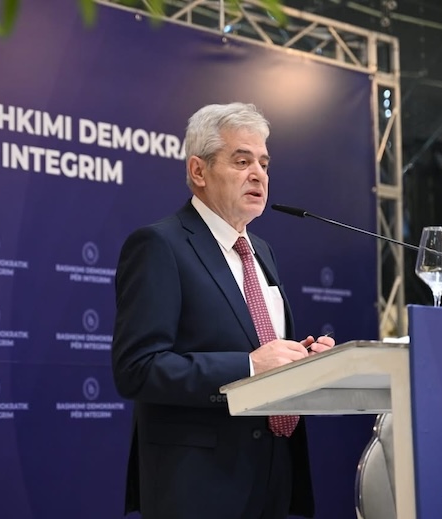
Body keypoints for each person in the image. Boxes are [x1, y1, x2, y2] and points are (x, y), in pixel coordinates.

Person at [111, 102, 335, 519]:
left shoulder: (261, 250)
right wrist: (249, 367)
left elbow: (259, 346)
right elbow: (137, 369)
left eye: (264, 163)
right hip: (199, 486)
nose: (259, 174)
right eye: (242, 161)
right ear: (199, 171)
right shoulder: (160, 246)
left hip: (273, 475)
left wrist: (300, 361)